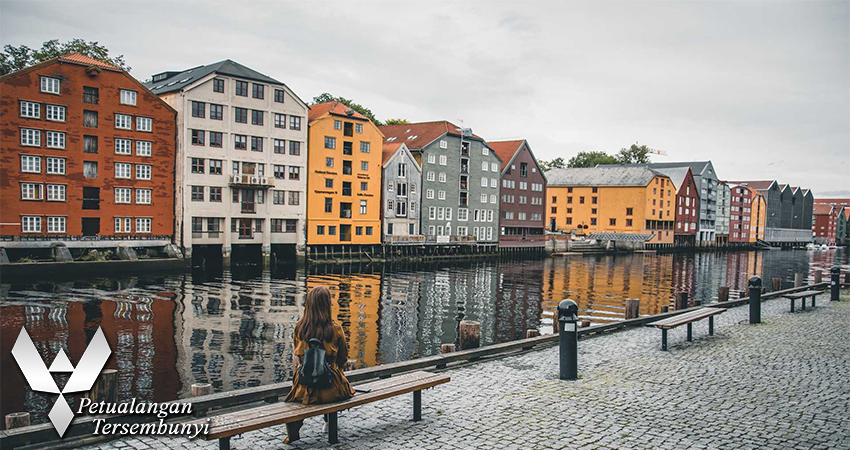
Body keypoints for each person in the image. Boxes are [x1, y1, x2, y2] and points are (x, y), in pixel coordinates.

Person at [283, 285, 355, 443]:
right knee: (333, 378)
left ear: (308, 304)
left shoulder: (300, 328)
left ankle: (293, 432)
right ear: (327, 304)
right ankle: (328, 422)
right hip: (331, 389)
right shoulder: (335, 329)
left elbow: (297, 358)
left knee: (295, 395)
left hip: (305, 389)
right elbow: (343, 358)